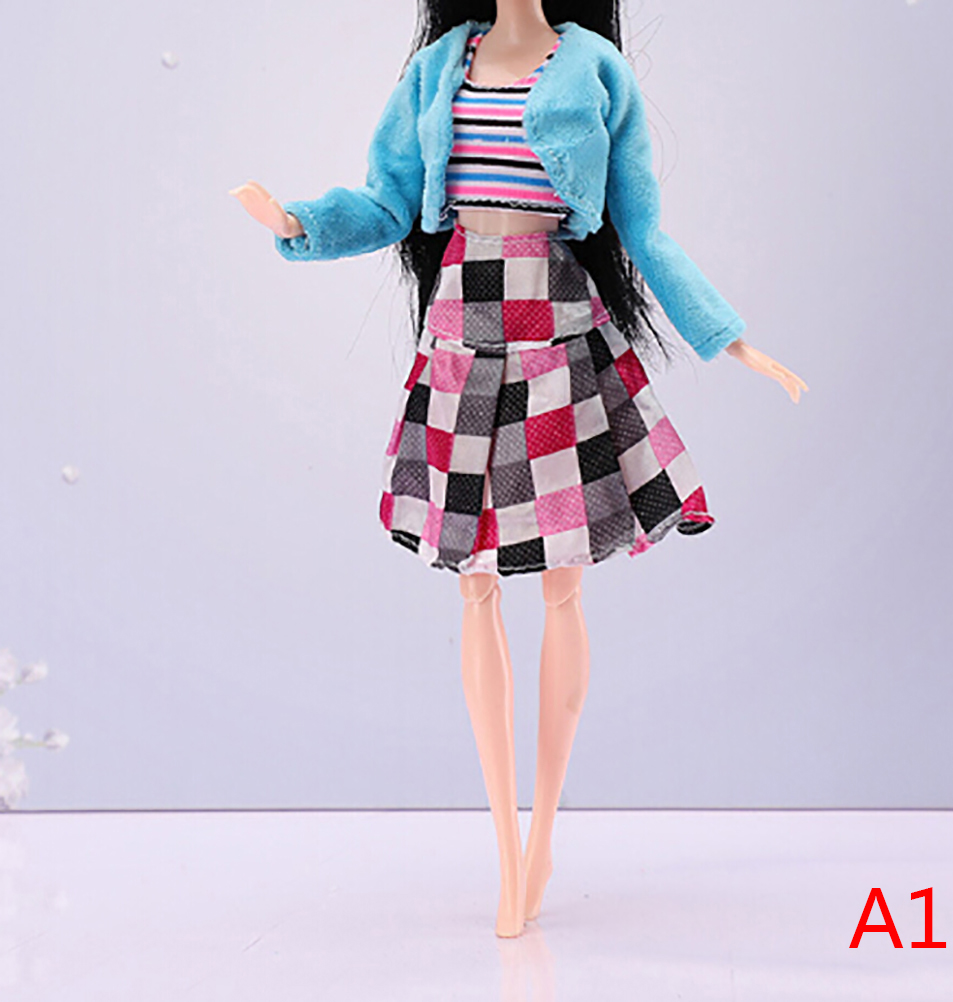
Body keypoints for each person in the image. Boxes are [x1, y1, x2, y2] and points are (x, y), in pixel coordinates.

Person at [231, 0, 807, 938]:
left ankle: (542, 838)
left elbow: (644, 229)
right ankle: (507, 847)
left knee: (561, 587)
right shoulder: (437, 71)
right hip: (465, 324)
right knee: (475, 584)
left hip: (558, 330)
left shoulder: (594, 69)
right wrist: (299, 220)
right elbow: (386, 201)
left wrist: (728, 338)